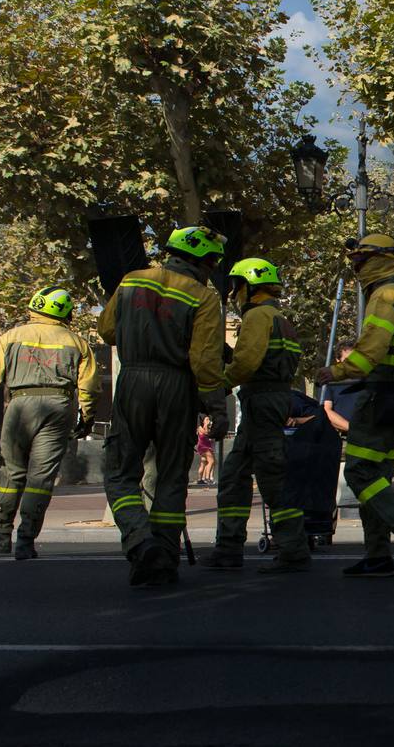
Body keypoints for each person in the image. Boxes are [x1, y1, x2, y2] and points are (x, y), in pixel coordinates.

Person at [97, 226, 227, 586]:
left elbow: (106, 330)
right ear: (200, 261)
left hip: (133, 381)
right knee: (171, 476)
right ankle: (166, 557)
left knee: (121, 472)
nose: (212, 268)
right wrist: (216, 407)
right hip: (177, 385)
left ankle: (140, 542)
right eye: (211, 262)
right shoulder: (203, 296)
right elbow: (203, 360)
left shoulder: (131, 281)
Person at [314, 233, 394, 578]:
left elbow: (370, 350)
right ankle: (377, 555)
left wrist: (336, 371)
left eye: (360, 261)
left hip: (380, 394)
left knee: (358, 471)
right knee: (378, 475)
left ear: (376, 260)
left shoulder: (384, 297)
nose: (356, 268)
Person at [0, 286, 99, 561]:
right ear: (66, 312)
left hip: (20, 405)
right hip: (59, 408)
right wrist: (87, 417)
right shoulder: (77, 342)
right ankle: (26, 541)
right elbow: (90, 387)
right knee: (41, 478)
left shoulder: (11, 336)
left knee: (11, 472)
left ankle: (0, 536)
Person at [204, 258, 311, 573]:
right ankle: (228, 547)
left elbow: (247, 363)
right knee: (235, 473)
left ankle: (293, 549)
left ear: (247, 287)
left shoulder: (258, 316)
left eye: (236, 286)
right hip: (268, 398)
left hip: (262, 399)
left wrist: (219, 384)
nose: (234, 293)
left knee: (272, 476)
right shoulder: (278, 317)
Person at [195, 417, 217, 486]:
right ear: (203, 421)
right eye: (207, 419)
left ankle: (200, 479)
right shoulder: (200, 428)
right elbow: (206, 433)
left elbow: (210, 436)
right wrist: (206, 425)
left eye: (208, 419)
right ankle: (207, 478)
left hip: (206, 447)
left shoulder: (206, 427)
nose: (208, 421)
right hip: (204, 447)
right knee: (211, 461)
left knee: (203, 462)